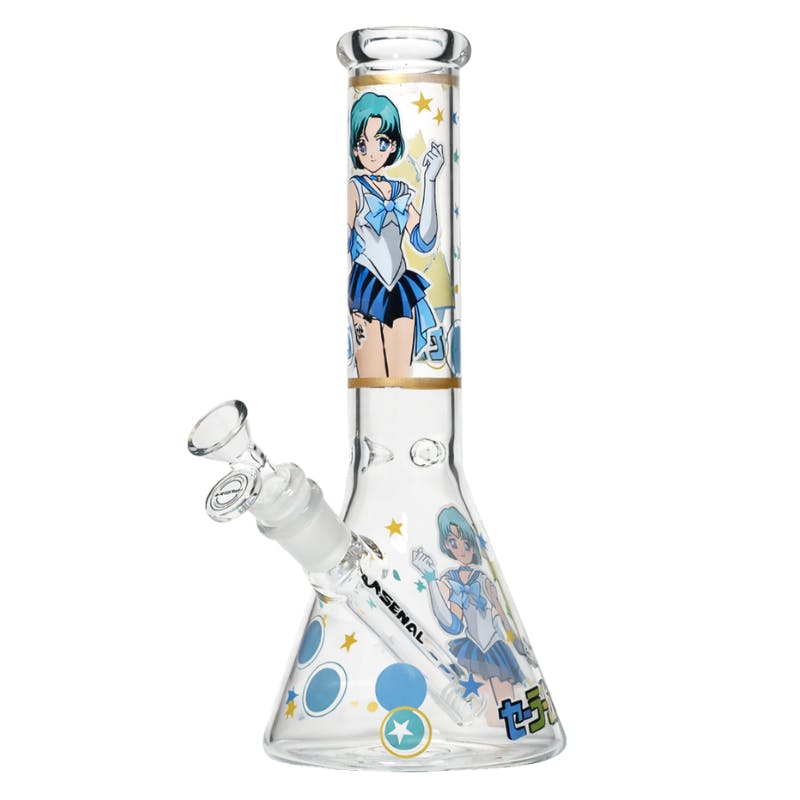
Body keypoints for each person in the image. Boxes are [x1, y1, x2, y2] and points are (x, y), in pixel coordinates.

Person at [347, 91, 444, 378]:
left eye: (381, 142)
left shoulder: (400, 192)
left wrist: (430, 180)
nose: (372, 152)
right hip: (366, 285)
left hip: (399, 286)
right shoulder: (355, 188)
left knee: (401, 377)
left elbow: (424, 240)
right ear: (355, 149)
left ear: (393, 145)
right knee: (372, 376)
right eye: (362, 144)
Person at [412, 507, 525, 718]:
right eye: (453, 542)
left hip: (495, 647)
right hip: (472, 651)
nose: (461, 550)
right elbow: (452, 625)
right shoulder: (450, 580)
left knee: (507, 708)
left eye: (466, 544)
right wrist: (430, 579)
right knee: (484, 710)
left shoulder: (482, 579)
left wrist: (517, 642)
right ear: (446, 545)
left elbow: (501, 613)